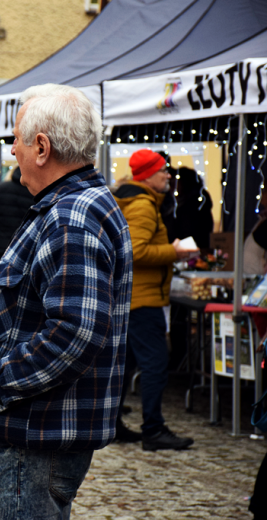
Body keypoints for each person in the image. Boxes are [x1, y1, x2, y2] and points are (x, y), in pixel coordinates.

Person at [0, 84, 132, 520]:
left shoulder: (72, 215)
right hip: (33, 439)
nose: (12, 149)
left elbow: (74, 334)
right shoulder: (71, 205)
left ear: (41, 147)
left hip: (30, 443)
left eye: (17, 138)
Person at [113, 148, 197, 451]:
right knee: (155, 362)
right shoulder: (142, 205)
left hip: (134, 295)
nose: (169, 176)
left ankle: (112, 425)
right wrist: (175, 252)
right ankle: (153, 428)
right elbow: (136, 251)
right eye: (163, 170)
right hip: (143, 297)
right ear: (148, 175)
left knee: (127, 363)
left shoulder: (135, 199)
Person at [164, 166, 214, 249]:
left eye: (174, 184)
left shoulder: (192, 208)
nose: (172, 189)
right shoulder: (180, 205)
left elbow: (189, 235)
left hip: (189, 253)